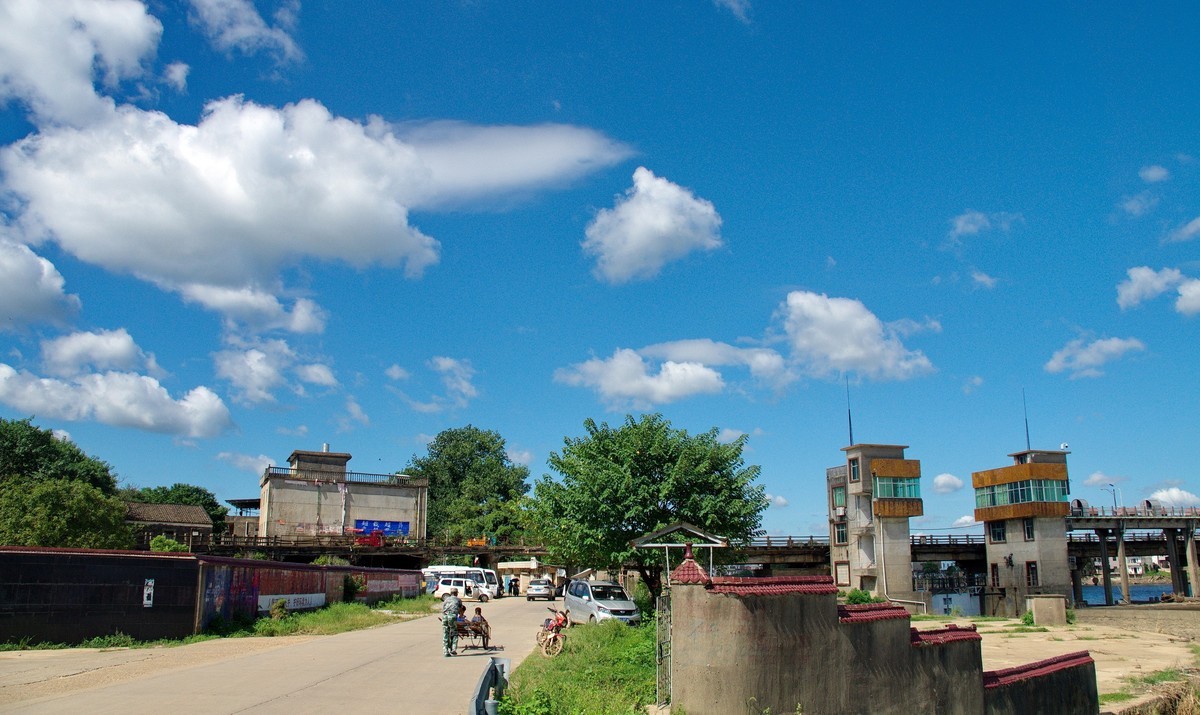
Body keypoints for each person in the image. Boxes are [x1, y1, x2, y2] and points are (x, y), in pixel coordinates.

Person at [441, 588, 462, 657]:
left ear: (451, 593)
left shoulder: (446, 599)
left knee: (445, 633)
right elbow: (460, 609)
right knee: (454, 632)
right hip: (452, 616)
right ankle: (453, 649)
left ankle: (445, 651)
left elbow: (443, 609)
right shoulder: (458, 600)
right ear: (456, 593)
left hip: (445, 616)